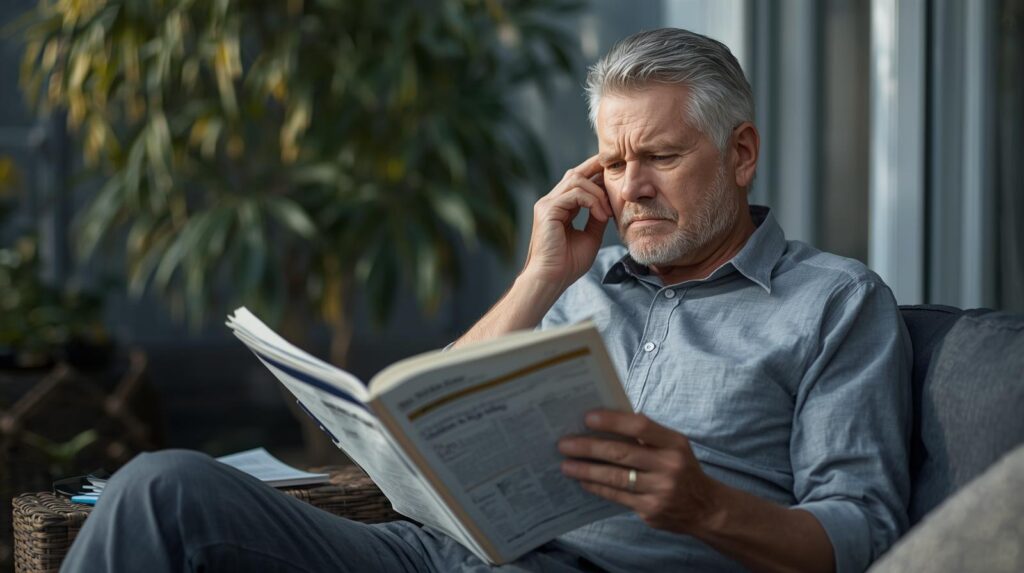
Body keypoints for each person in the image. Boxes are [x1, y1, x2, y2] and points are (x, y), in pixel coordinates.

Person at [61, 28, 909, 573]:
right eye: (613, 164)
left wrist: (705, 506)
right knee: (156, 488)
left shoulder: (833, 302)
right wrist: (540, 276)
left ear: (742, 153)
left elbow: (861, 530)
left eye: (659, 155)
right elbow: (421, 420)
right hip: (430, 552)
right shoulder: (584, 286)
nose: (632, 187)